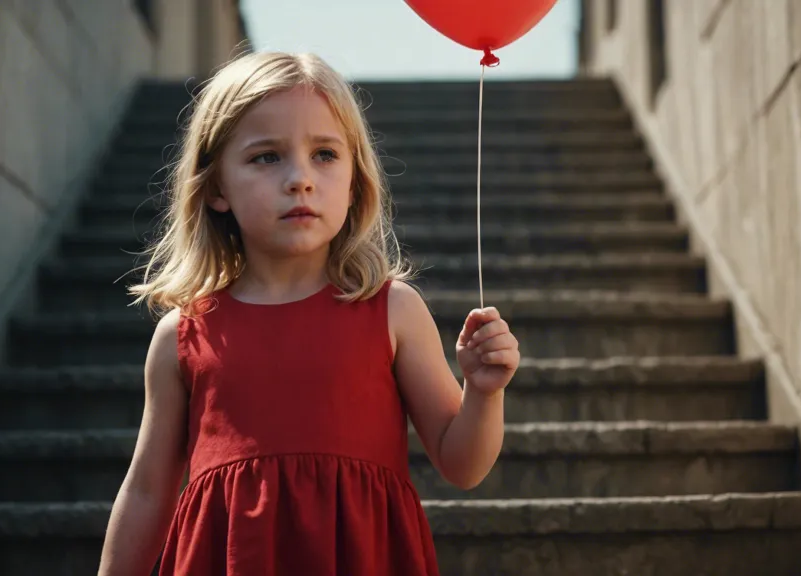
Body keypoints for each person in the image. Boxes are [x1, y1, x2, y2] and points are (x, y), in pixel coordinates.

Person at [97, 51, 520, 576]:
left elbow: (462, 465)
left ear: (355, 179)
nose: (299, 178)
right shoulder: (183, 335)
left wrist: (482, 392)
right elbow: (146, 492)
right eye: (266, 157)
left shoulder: (392, 310)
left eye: (324, 154)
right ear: (215, 188)